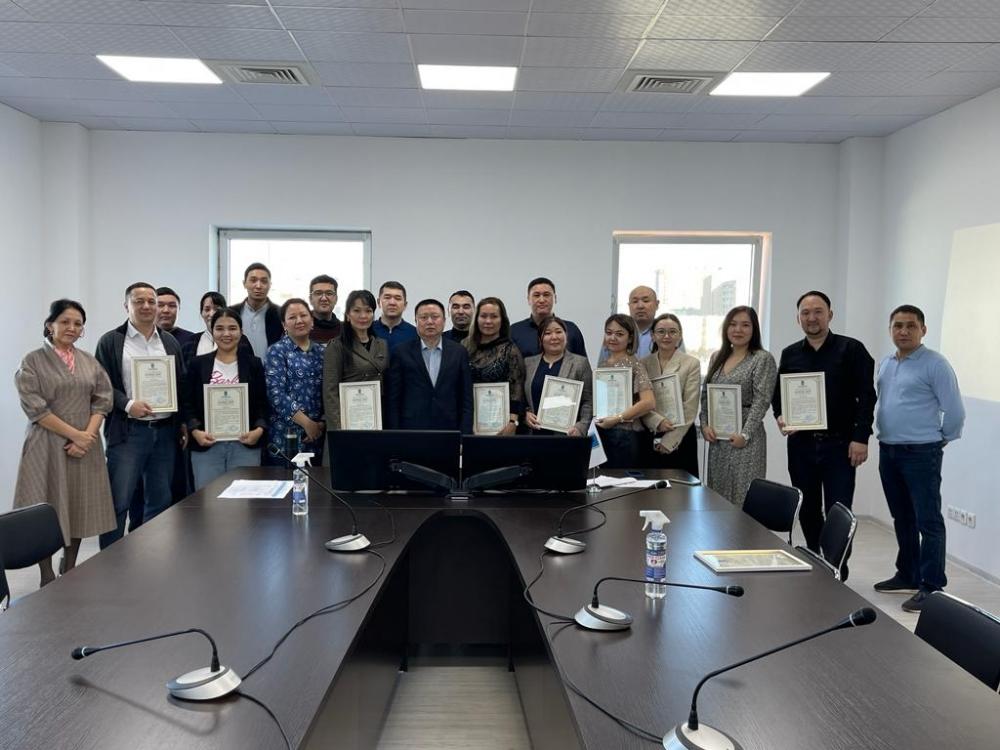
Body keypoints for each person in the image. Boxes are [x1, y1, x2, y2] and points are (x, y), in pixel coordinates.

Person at [772, 290, 875, 578]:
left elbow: (867, 397)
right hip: (801, 445)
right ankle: (818, 560)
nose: (812, 317)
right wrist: (781, 416)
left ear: (830, 314)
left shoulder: (852, 349)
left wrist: (861, 438)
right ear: (798, 319)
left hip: (840, 445)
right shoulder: (791, 353)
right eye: (805, 313)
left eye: (818, 311)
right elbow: (779, 395)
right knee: (807, 508)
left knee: (838, 510)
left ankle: (837, 567)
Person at [13, 299, 116, 583]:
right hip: (46, 444)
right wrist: (76, 435)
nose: (72, 328)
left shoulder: (89, 361)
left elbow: (103, 400)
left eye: (78, 324)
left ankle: (70, 568)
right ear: (50, 325)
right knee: (43, 507)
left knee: (78, 503)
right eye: (65, 322)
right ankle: (46, 574)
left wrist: (87, 437)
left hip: (84, 445)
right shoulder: (32, 361)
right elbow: (35, 408)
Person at [874, 305, 965, 613]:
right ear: (890, 329)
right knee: (903, 517)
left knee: (929, 520)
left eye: (911, 326)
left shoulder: (935, 364)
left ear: (923, 330)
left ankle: (932, 586)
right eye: (898, 325)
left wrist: (941, 438)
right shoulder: (887, 363)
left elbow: (955, 410)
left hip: (921, 453)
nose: (903, 331)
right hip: (889, 450)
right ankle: (908, 574)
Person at [95, 282, 186, 548]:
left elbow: (179, 384)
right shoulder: (111, 341)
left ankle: (151, 558)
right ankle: (110, 561)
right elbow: (101, 385)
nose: (146, 306)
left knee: (160, 500)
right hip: (128, 432)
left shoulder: (169, 342)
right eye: (139, 301)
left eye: (151, 301)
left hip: (164, 431)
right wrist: (127, 404)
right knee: (118, 501)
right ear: (127, 306)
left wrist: (181, 423)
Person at [183, 308, 269, 489]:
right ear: (212, 331)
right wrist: (195, 431)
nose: (226, 334)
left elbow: (262, 403)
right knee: (208, 499)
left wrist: (259, 430)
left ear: (241, 332)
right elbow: (187, 402)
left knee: (244, 500)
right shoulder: (197, 364)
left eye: (232, 328)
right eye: (220, 328)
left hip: (245, 445)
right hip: (207, 445)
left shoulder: (253, 364)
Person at [700, 306, 777, 506]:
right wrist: (705, 425)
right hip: (718, 439)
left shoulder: (762, 358)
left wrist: (746, 434)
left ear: (754, 329)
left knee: (744, 497)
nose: (738, 330)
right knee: (717, 498)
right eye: (733, 324)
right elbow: (706, 395)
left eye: (745, 325)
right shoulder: (716, 357)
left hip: (746, 441)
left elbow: (762, 401)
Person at [386, 298, 473, 433]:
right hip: (411, 430)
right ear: (416, 321)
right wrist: (395, 435)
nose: (430, 322)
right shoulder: (401, 352)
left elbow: (466, 398)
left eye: (435, 317)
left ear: (444, 321)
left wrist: (465, 435)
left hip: (450, 429)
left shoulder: (459, 352)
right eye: (424, 317)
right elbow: (393, 399)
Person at [264, 298, 326, 464]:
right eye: (292, 317)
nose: (299, 321)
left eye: (303, 315)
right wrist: (306, 423)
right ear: (284, 324)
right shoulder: (276, 351)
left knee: (317, 479)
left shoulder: (322, 352)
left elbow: (329, 391)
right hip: (285, 435)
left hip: (317, 436)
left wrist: (320, 424)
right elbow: (276, 394)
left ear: (312, 320)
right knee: (285, 480)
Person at [640, 313, 701, 477]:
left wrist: (670, 440)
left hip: (680, 434)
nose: (666, 336)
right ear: (652, 336)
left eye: (672, 332)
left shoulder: (691, 363)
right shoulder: (643, 364)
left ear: (680, 336)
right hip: (651, 431)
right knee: (651, 486)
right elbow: (640, 401)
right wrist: (657, 422)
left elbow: (690, 406)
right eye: (661, 331)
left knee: (681, 488)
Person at [593, 314, 655, 468]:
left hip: (626, 435)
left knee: (623, 481)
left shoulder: (635, 365)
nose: (612, 338)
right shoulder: (603, 365)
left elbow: (649, 402)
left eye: (619, 334)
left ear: (630, 338)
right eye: (609, 333)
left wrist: (617, 418)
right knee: (603, 479)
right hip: (603, 431)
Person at [323, 289, 389, 431]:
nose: (363, 316)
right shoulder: (337, 346)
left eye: (368, 311)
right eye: (357, 311)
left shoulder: (381, 344)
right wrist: (338, 431)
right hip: (349, 421)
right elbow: (330, 393)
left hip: (377, 419)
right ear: (348, 315)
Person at [464, 297, 525, 435]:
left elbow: (517, 389)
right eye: (483, 316)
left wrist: (513, 422)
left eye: (494, 316)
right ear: (476, 318)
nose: (488, 321)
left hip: (500, 425)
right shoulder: (464, 346)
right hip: (468, 422)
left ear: (502, 320)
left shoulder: (510, 350)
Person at [523, 315, 592, 437]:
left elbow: (588, 401)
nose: (554, 337)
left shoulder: (580, 363)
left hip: (567, 436)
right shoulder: (528, 364)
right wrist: (524, 414)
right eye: (548, 333)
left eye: (558, 332)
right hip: (533, 435)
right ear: (540, 339)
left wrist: (581, 427)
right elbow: (521, 397)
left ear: (566, 336)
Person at [510, 277, 587, 358]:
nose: (542, 300)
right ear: (528, 299)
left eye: (546, 295)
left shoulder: (571, 329)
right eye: (536, 295)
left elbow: (582, 363)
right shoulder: (514, 331)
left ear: (555, 298)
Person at [239, 262, 283, 359]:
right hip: (239, 368)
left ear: (270, 285)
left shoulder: (281, 314)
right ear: (244, 283)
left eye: (264, 281)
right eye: (253, 280)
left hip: (272, 367)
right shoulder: (233, 313)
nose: (258, 286)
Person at [372, 281, 418, 353]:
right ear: (378, 302)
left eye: (398, 298)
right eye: (387, 297)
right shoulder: (368, 330)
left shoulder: (415, 333)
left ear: (405, 305)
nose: (392, 303)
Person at [308, 274, 342, 344]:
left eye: (329, 293)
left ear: (336, 299)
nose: (324, 298)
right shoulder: (299, 329)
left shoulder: (346, 331)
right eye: (318, 293)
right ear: (310, 299)